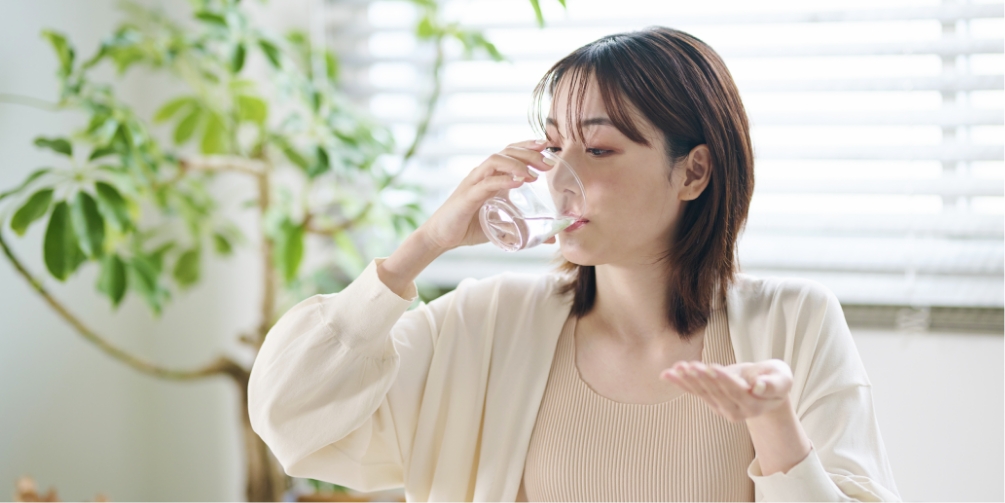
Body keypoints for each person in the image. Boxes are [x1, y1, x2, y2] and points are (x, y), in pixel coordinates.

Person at [248, 26, 900, 501]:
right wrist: (423, 246)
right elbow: (291, 417)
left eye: (598, 148)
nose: (560, 174)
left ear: (693, 172)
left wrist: (775, 424)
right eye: (554, 144)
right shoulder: (485, 323)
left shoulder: (794, 321)